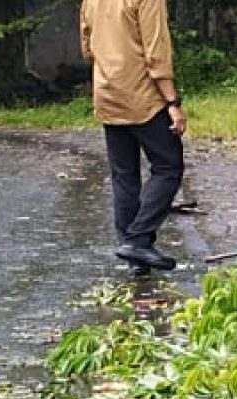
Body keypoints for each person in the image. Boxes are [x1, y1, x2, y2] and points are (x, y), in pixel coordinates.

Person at [79, 0, 187, 272]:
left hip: (107, 94)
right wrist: (173, 103)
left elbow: (87, 47)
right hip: (143, 97)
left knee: (124, 175)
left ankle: (133, 257)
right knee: (168, 166)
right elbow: (156, 53)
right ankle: (138, 240)